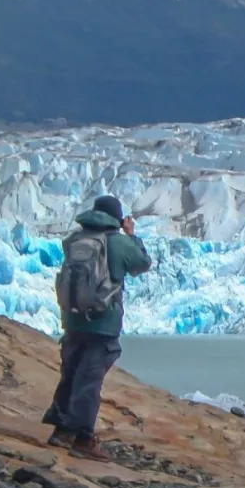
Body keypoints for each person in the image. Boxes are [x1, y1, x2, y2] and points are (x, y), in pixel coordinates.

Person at [42, 195, 152, 461]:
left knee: (71, 373)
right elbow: (142, 264)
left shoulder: (75, 240)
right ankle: (83, 438)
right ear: (117, 218)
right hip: (103, 322)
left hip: (73, 319)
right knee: (89, 381)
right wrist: (131, 235)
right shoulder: (119, 243)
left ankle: (62, 429)